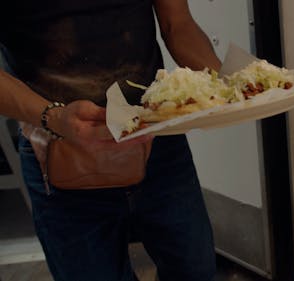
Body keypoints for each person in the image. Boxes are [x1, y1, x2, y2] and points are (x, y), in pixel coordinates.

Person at [0, 1, 220, 280]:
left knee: (195, 271)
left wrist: (228, 87)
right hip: (60, 157)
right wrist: (54, 117)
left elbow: (177, 24)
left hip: (155, 142)